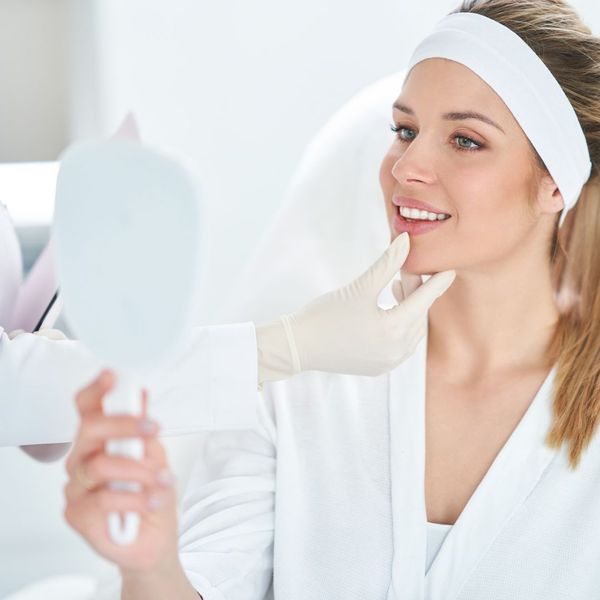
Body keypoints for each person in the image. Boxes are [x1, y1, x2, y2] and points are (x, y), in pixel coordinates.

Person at [64, 0, 600, 597]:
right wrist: (150, 564)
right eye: (404, 130)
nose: (407, 167)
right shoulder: (299, 386)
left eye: (466, 141)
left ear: (555, 182)